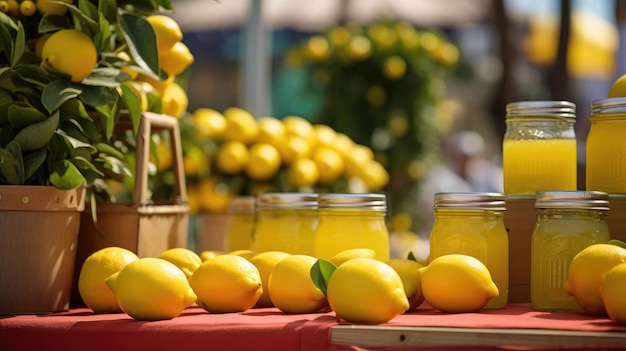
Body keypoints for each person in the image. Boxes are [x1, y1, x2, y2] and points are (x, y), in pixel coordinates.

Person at [415, 130, 503, 260]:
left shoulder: (493, 176)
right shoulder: (438, 177)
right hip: (448, 239)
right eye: (461, 156)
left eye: (470, 156)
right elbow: (425, 208)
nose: (466, 160)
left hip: (485, 237)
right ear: (452, 156)